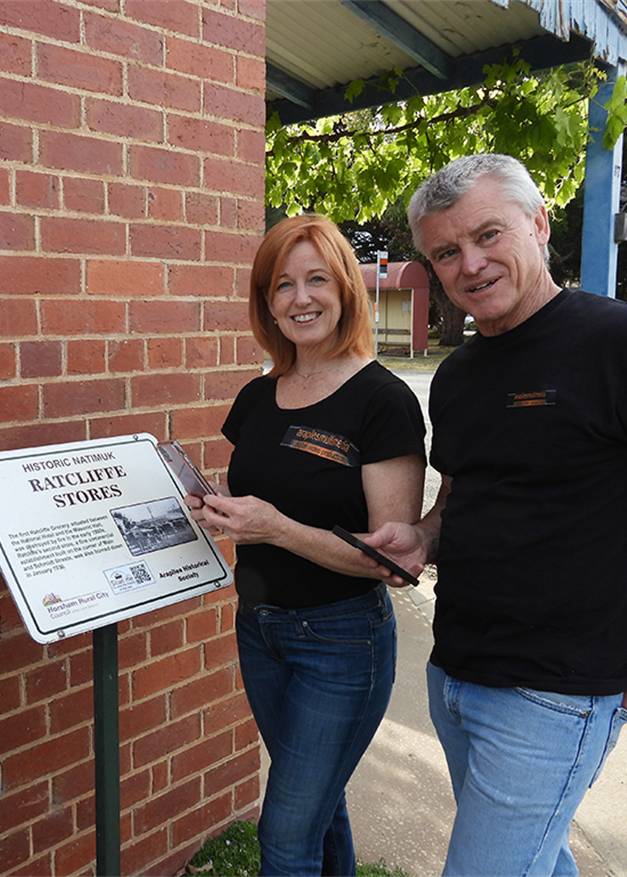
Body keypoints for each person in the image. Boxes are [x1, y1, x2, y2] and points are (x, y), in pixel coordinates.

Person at [360, 154, 627, 876]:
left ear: (540, 224)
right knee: (540, 863)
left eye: (489, 234)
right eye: (446, 251)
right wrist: (421, 534)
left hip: (553, 697)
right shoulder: (457, 375)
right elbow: (461, 501)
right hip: (455, 673)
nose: (471, 263)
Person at [187, 213, 427, 877]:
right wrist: (224, 507)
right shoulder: (258, 396)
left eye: (316, 279)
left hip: (341, 642)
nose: (300, 298)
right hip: (259, 629)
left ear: (346, 287)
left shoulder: (382, 401)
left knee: (287, 835)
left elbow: (394, 562)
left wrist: (274, 527)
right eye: (282, 285)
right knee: (320, 802)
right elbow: (268, 492)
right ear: (266, 301)